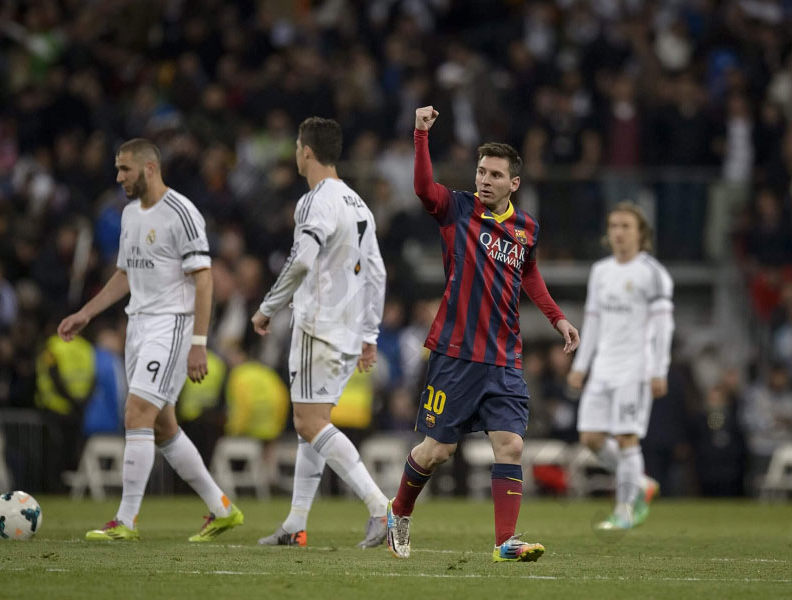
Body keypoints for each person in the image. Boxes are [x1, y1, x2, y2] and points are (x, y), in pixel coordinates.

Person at [385, 106, 580, 563]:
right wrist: (420, 136)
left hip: (505, 356)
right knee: (437, 452)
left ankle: (504, 543)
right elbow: (421, 188)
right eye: (481, 171)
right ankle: (398, 510)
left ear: (514, 183)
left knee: (510, 444)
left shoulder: (526, 228)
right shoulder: (456, 209)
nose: (485, 180)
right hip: (455, 353)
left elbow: (529, 275)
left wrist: (556, 318)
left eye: (495, 174)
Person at [57, 138, 243, 541]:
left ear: (150, 169)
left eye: (125, 169)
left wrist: (198, 341)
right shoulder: (128, 215)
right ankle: (221, 508)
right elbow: (124, 274)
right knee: (161, 427)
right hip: (138, 326)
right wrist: (87, 313)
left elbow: (205, 280)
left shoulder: (182, 212)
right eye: (117, 168)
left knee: (136, 413)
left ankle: (125, 520)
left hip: (172, 324)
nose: (119, 176)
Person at [252, 117, 389, 549]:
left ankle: (382, 509)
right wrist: (370, 334)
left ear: (306, 151)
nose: (295, 152)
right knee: (311, 426)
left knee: (309, 422)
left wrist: (267, 307)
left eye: (296, 145)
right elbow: (378, 273)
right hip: (348, 331)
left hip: (318, 325)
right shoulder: (358, 203)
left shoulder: (315, 202)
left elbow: (301, 261)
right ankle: (295, 525)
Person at [566, 203, 674, 530]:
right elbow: (593, 321)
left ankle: (626, 509)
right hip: (603, 368)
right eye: (613, 225)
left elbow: (663, 326)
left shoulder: (652, 273)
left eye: (626, 226)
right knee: (591, 438)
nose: (618, 232)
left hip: (635, 368)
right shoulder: (601, 271)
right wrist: (581, 365)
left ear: (641, 233)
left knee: (627, 437)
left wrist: (659, 370)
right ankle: (640, 482)